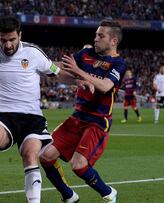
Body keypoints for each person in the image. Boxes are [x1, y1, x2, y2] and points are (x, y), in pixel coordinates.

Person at [0, 16, 85, 203]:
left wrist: (78, 81)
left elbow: (57, 73)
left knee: (31, 155)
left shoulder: (34, 53)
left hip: (31, 117)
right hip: (3, 114)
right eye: (3, 40)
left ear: (19, 36)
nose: (8, 45)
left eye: (12, 40)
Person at [40, 20, 125, 203]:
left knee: (78, 166)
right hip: (77, 117)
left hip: (97, 121)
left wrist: (79, 71)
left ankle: (109, 193)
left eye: (101, 36)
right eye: (95, 35)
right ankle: (69, 196)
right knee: (45, 156)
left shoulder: (118, 64)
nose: (96, 39)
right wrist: (37, 62)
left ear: (113, 41)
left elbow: (104, 86)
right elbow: (62, 68)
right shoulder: (85, 54)